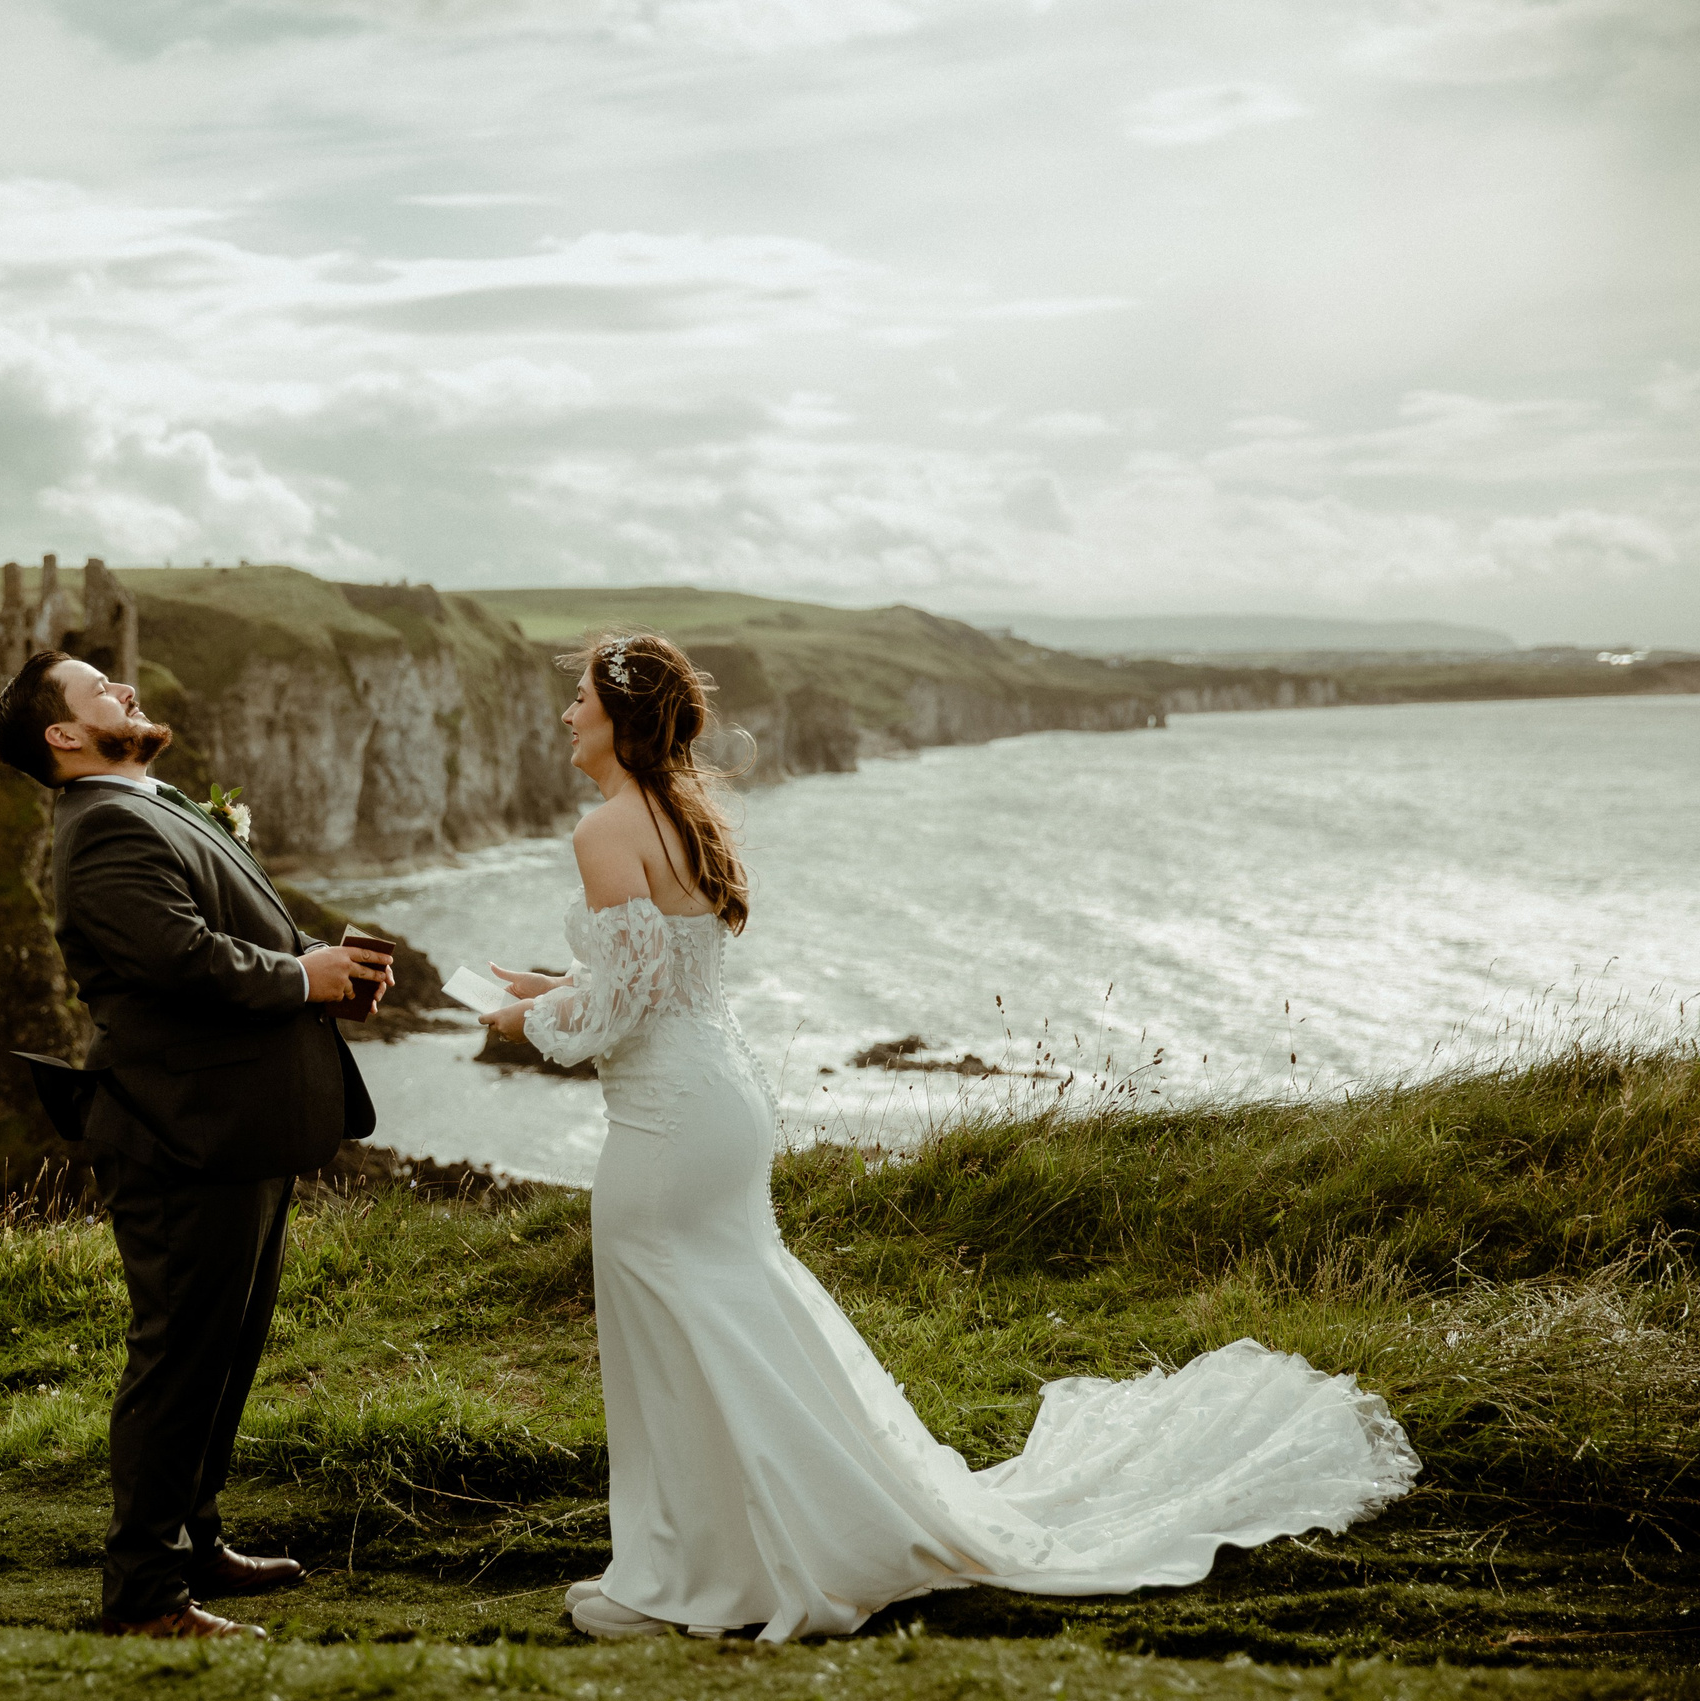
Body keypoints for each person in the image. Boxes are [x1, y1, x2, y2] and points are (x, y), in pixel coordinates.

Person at [478, 631, 1419, 1642]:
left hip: (666, 1123)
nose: (567, 715)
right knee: (737, 1321)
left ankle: (684, 1577)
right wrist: (566, 990)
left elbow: (619, 1015)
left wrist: (520, 1021)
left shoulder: (604, 832)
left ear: (619, 718)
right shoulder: (685, 813)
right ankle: (712, 1557)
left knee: (672, 1336)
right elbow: (658, 985)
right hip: (719, 1102)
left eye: (579, 698)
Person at [0, 650, 394, 1640]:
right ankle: (144, 1595)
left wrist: (328, 971)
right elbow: (179, 958)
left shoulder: (146, 801)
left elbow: (226, 926)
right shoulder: (102, 829)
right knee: (179, 1361)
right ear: (63, 734)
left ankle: (193, 1544)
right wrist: (305, 976)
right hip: (184, 1131)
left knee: (225, 1355)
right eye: (100, 690)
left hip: (234, 1125)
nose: (125, 689)